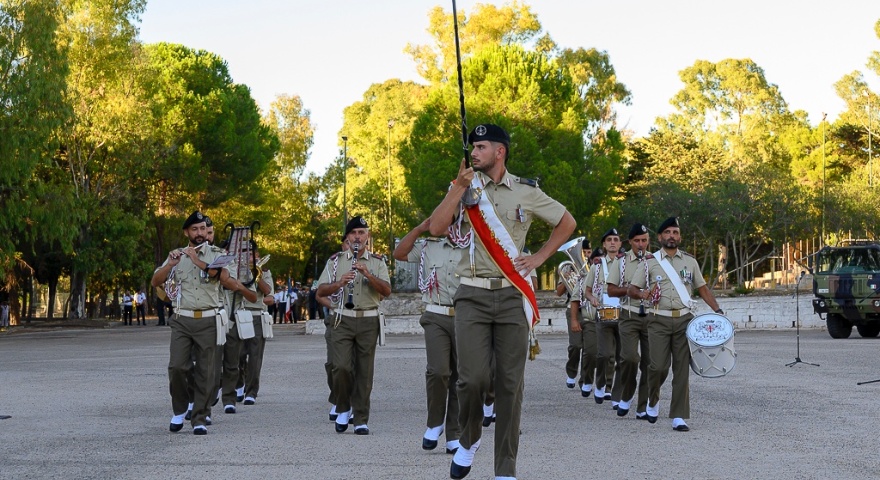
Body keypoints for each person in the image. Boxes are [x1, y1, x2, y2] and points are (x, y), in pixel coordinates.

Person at [428, 124, 576, 480]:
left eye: (480, 147)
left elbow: (566, 222)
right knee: (472, 379)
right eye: (472, 147)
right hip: (472, 294)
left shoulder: (526, 191)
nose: (473, 153)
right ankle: (470, 438)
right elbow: (435, 227)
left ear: (500, 152)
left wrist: (539, 258)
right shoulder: (464, 186)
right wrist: (458, 188)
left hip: (511, 295)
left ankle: (505, 469)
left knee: (510, 384)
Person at [150, 210, 257, 435]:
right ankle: (180, 410)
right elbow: (155, 281)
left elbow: (222, 277)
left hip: (208, 319)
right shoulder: (176, 256)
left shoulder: (218, 254)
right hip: (182, 319)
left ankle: (199, 416)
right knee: (178, 367)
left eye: (202, 229)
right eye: (194, 229)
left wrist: (196, 259)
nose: (199, 233)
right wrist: (170, 265)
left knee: (207, 372)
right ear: (187, 232)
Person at [627, 217, 723, 432]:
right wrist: (642, 293)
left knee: (681, 369)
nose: (672, 236)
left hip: (684, 320)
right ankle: (653, 400)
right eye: (668, 232)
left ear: (680, 237)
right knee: (658, 366)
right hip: (657, 319)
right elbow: (632, 289)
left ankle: (679, 415)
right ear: (660, 237)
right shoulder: (649, 262)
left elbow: (702, 288)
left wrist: (718, 310)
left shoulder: (690, 261)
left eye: (675, 232)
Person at [394, 216, 466, 454]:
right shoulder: (429, 246)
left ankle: (454, 433)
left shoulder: (473, 245)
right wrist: (420, 228)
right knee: (438, 371)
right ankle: (435, 422)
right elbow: (400, 253)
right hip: (436, 315)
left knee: (461, 377)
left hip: (466, 316)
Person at [317, 216, 391, 436]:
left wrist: (367, 274)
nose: (358, 237)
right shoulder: (335, 261)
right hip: (342, 318)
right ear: (347, 238)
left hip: (368, 319)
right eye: (354, 233)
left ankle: (360, 418)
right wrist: (340, 283)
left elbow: (386, 291)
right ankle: (342, 407)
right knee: (340, 367)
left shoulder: (378, 261)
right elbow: (320, 292)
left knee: (364, 372)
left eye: (362, 232)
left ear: (367, 236)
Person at [606, 223, 652, 419]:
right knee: (630, 358)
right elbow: (610, 290)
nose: (641, 244)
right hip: (629, 314)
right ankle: (626, 396)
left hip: (652, 316)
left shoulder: (655, 261)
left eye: (644, 240)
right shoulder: (621, 262)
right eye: (637, 241)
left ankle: (642, 406)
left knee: (650, 363)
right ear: (631, 242)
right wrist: (630, 291)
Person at [583, 229, 624, 407]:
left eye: (616, 239)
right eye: (609, 240)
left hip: (624, 314)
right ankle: (600, 384)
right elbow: (587, 289)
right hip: (603, 313)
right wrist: (592, 299)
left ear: (621, 244)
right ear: (604, 245)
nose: (613, 242)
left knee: (623, 357)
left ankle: (616, 394)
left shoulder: (627, 264)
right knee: (604, 355)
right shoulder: (597, 266)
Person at [235, 250, 274, 406]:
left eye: (251, 254)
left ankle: (251, 391)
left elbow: (268, 292)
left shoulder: (264, 271)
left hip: (256, 314)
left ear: (256, 255)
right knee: (237, 354)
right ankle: (239, 384)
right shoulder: (235, 270)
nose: (248, 257)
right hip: (239, 313)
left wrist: (257, 277)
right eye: (245, 254)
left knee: (255, 356)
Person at [556, 239, 592, 390]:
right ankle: (571, 372)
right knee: (575, 346)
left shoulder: (596, 267)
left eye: (588, 253)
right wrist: (569, 277)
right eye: (583, 253)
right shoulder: (568, 269)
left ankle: (585, 380)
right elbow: (558, 293)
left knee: (590, 348)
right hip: (573, 309)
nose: (586, 256)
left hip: (590, 309)